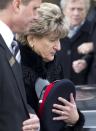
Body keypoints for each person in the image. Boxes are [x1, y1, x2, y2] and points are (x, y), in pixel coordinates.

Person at [16, 2, 85, 130]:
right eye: (52, 40)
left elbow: (59, 118)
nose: (58, 47)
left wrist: (75, 119)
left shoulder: (54, 65)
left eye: (59, 39)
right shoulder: (12, 69)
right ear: (31, 39)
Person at [0, 0, 42, 131]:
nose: (37, 17)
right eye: (34, 9)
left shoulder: (11, 45)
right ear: (17, 5)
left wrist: (28, 114)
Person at [57, 0, 92, 85]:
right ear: (64, 10)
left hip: (85, 88)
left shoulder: (93, 30)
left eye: (80, 9)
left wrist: (86, 61)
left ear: (86, 11)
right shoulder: (54, 29)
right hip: (58, 86)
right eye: (72, 9)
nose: (76, 13)